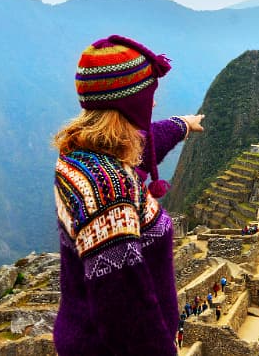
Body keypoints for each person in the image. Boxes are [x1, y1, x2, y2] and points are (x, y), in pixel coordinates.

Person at [52, 35, 204, 355]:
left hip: (81, 334)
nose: (155, 104)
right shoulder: (110, 192)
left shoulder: (83, 156)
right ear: (132, 103)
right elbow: (127, 314)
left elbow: (148, 142)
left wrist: (183, 125)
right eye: (150, 96)